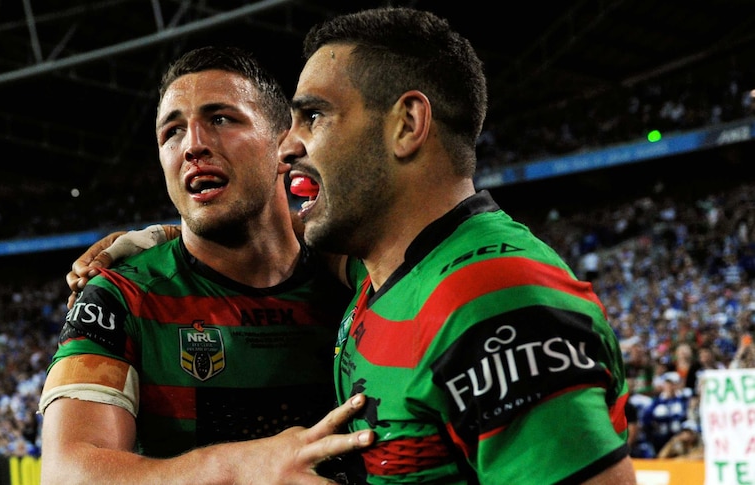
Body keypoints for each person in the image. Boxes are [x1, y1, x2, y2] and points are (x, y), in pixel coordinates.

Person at [71, 7, 637, 484]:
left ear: (408, 123)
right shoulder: (379, 275)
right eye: (171, 131)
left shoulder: (494, 301)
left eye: (314, 115)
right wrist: (166, 237)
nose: (290, 144)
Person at [39, 45, 373, 485]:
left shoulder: (354, 271)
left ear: (283, 144)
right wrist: (241, 467)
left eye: (221, 119)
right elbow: (67, 474)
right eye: (172, 132)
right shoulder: (118, 296)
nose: (193, 145)